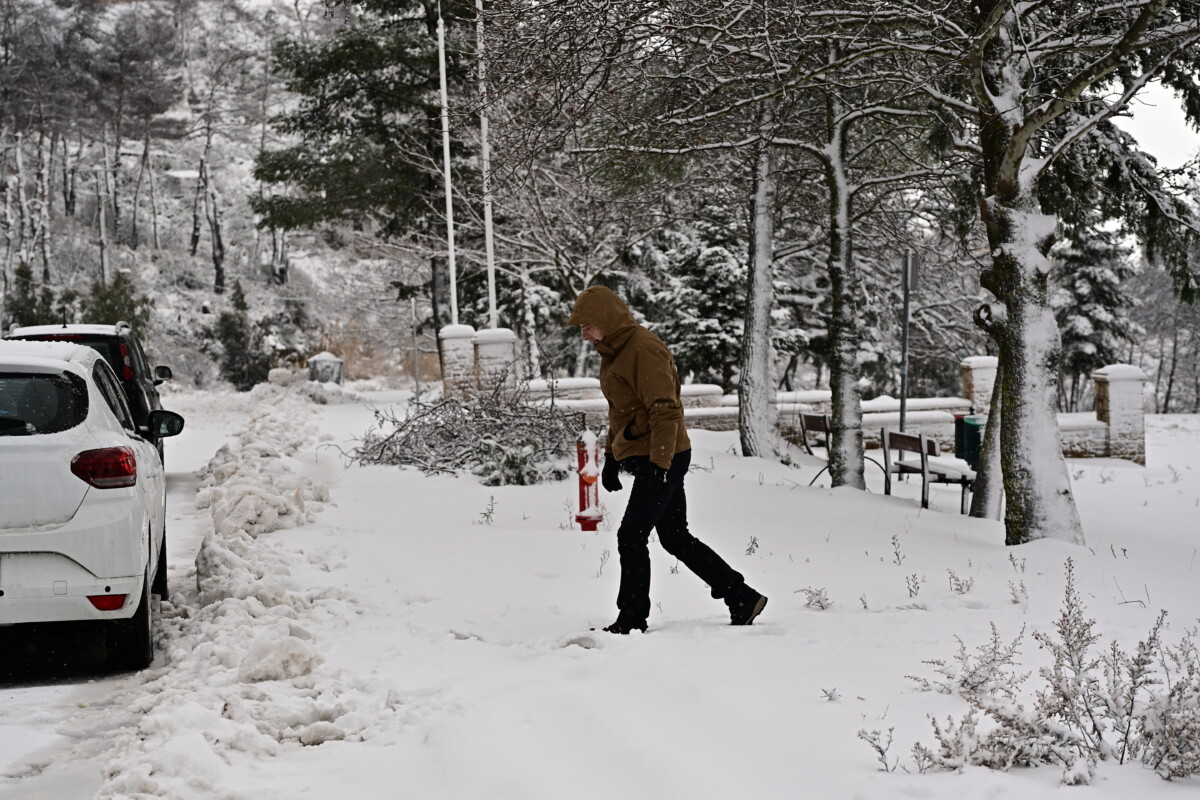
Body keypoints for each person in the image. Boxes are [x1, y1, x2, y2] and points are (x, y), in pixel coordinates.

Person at [567, 285, 768, 634]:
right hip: (650, 454)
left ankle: (632, 618)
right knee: (674, 536)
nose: (584, 335)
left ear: (605, 320)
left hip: (663, 455)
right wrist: (613, 455)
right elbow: (621, 410)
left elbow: (666, 411)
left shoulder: (643, 350)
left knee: (631, 536)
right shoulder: (613, 352)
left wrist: (660, 467)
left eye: (586, 326)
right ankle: (741, 596)